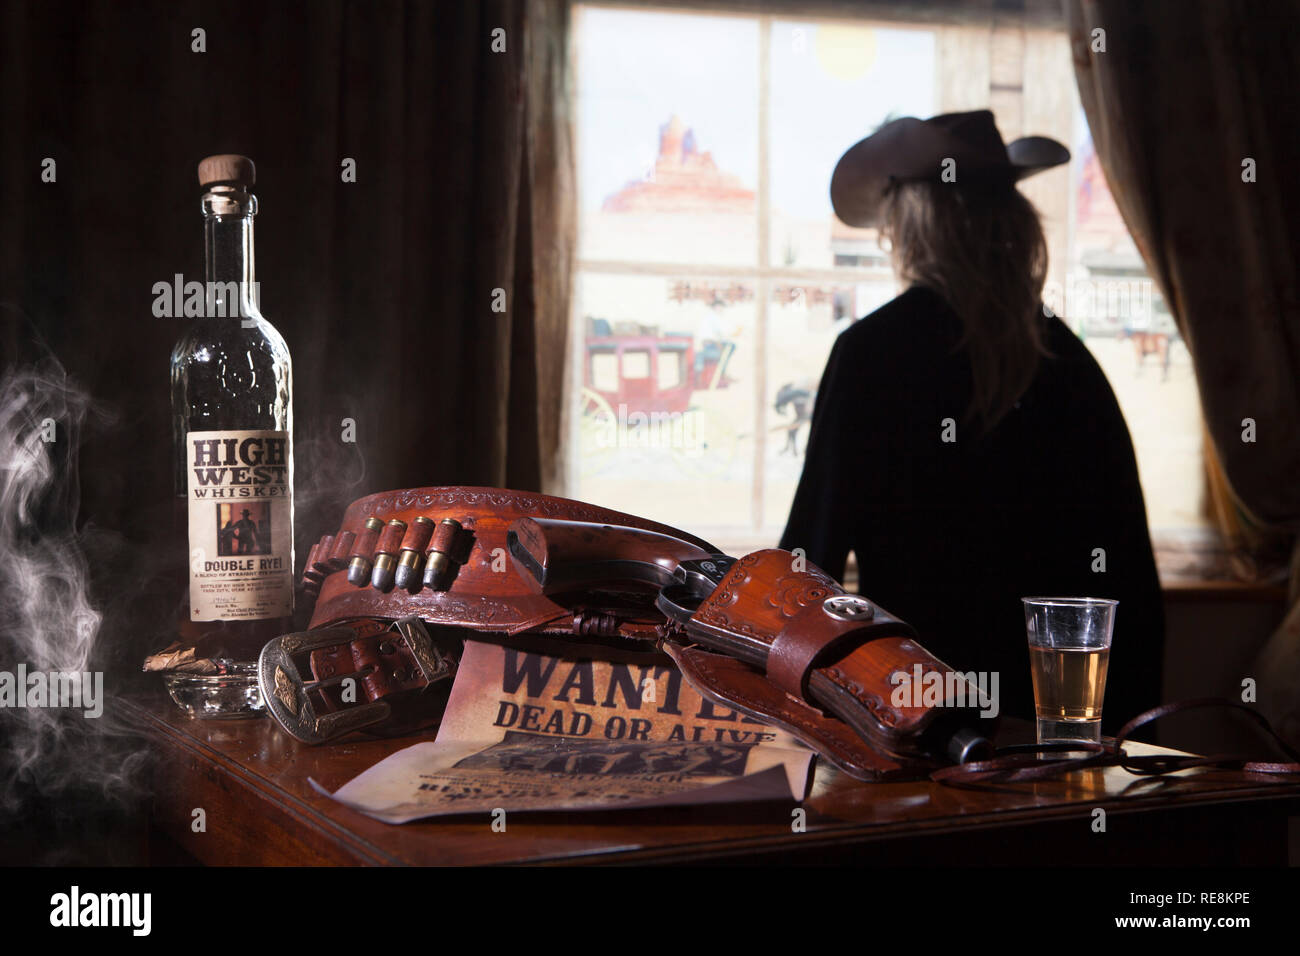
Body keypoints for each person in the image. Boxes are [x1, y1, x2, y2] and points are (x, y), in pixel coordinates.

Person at [780, 111, 1164, 730]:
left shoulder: (873, 353)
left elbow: (805, 559)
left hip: (910, 714)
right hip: (1060, 727)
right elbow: (1128, 578)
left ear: (911, 227)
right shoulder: (1070, 362)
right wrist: (1127, 738)